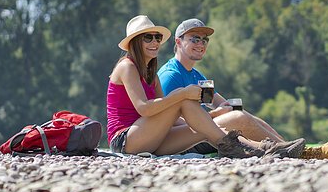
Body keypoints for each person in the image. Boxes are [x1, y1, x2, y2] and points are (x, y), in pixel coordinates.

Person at [106, 15, 305, 159]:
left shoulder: (190, 75)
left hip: (153, 137)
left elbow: (216, 103)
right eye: (147, 38)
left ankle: (270, 149)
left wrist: (217, 113)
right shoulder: (140, 69)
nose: (155, 42)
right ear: (179, 42)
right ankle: (270, 148)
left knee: (215, 125)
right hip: (126, 139)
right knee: (231, 116)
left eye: (157, 37)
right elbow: (146, 108)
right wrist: (188, 98)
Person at [158, 18, 328, 159]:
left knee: (244, 114)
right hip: (185, 140)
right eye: (194, 39)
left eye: (204, 40)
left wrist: (231, 108)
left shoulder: (197, 76)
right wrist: (216, 116)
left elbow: (221, 103)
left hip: (205, 131)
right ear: (178, 41)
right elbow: (169, 122)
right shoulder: (170, 75)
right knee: (239, 117)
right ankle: (303, 153)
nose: (200, 44)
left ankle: (295, 148)